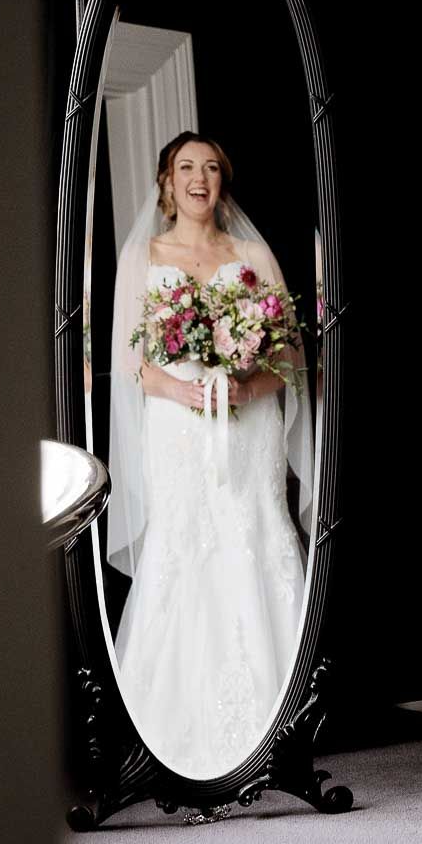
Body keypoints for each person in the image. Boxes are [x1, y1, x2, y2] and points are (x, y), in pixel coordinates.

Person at [106, 131, 315, 779]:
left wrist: (246, 383)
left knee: (255, 535)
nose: (200, 177)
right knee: (185, 545)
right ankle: (171, 732)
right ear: (166, 183)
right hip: (177, 426)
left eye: (213, 167)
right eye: (187, 167)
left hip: (246, 423)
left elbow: (289, 354)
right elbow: (128, 363)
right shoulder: (144, 253)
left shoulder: (251, 253)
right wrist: (184, 390)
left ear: (224, 181)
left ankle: (275, 727)